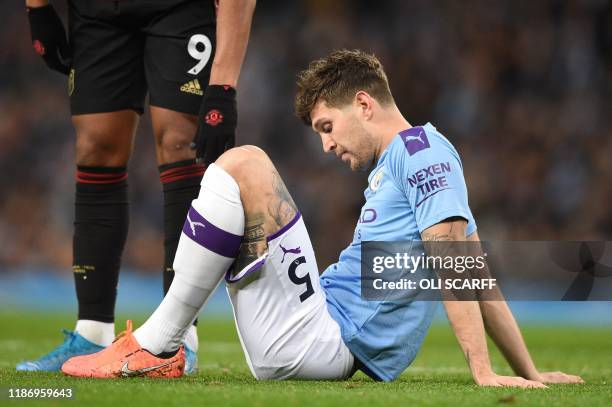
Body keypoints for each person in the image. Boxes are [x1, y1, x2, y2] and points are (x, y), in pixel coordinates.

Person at [61, 50, 583, 386]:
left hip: (326, 339)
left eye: (327, 126)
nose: (327, 144)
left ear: (364, 103)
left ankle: (159, 344)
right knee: (239, 172)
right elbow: (472, 268)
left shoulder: (421, 153)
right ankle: (163, 342)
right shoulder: (412, 161)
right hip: (317, 332)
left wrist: (486, 373)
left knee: (244, 164)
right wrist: (529, 372)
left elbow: (455, 261)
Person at [17, 0, 255, 374]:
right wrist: (38, 7)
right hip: (98, 11)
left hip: (179, 9)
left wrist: (224, 85)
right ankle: (91, 332)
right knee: (96, 144)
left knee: (181, 141)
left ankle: (176, 339)